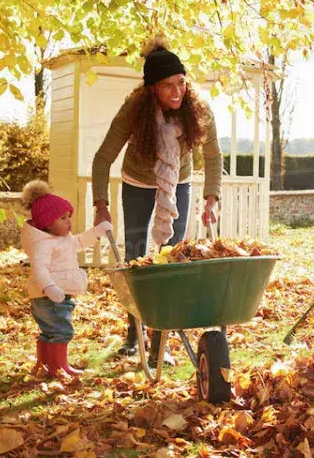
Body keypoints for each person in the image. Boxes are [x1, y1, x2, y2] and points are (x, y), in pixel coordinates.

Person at [92, 37, 222, 367]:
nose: (177, 92)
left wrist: (211, 198)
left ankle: (160, 338)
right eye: (168, 87)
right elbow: (102, 158)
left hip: (177, 182)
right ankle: (135, 336)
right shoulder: (133, 112)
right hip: (138, 182)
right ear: (152, 89)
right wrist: (100, 205)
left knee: (172, 257)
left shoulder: (198, 108)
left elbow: (212, 155)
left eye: (181, 83)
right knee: (136, 255)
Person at [21, 180, 113, 378]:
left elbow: (79, 242)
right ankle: (59, 367)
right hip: (50, 297)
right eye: (62, 218)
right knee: (61, 331)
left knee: (50, 331)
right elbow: (39, 269)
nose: (69, 222)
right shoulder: (43, 244)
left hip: (56, 294)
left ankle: (44, 364)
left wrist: (97, 232)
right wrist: (49, 287)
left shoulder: (62, 237)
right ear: (47, 223)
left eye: (68, 216)